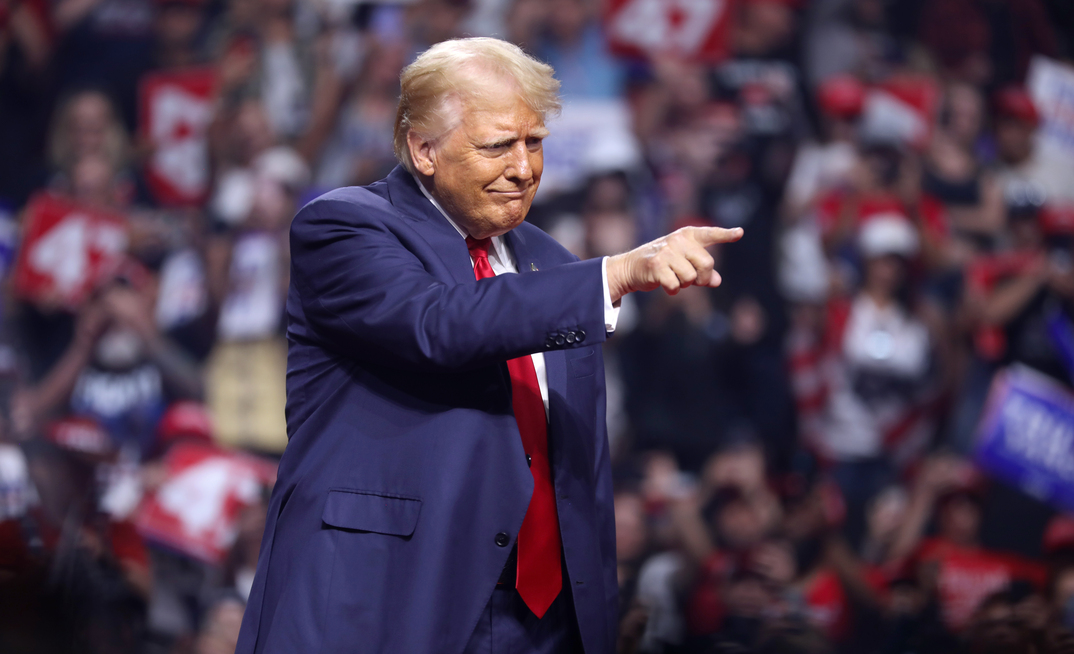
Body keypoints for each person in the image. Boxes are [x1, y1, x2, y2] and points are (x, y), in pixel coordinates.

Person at [235, 37, 743, 654]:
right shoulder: (346, 226)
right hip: (390, 598)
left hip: (548, 619)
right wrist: (609, 276)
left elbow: (581, 464)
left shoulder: (554, 265)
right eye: (498, 145)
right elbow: (437, 325)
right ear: (424, 148)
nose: (523, 168)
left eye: (534, 143)